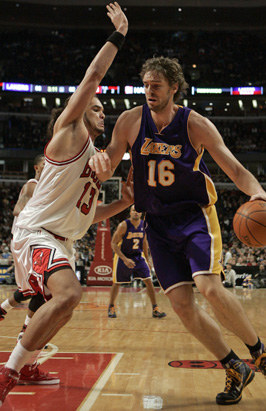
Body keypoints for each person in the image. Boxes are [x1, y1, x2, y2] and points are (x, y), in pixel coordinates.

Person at [89, 56, 266, 405]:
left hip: (195, 217)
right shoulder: (130, 122)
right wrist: (99, 162)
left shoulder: (195, 124)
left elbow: (236, 170)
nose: (149, 92)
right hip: (157, 223)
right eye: (146, 85)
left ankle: (261, 356)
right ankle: (233, 366)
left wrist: (257, 191)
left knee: (209, 288)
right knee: (182, 306)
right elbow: (108, 166)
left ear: (174, 88)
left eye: (157, 86)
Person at [0, 3, 131, 406]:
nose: (102, 111)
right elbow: (92, 78)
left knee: (57, 306)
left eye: (103, 109)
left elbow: (91, 215)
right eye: (96, 107)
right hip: (36, 233)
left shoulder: (97, 160)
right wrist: (118, 35)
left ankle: (30, 361)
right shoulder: (69, 134)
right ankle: (8, 373)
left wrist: (123, 202)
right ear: (76, 114)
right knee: (70, 294)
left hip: (61, 239)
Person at [0, 155, 46, 343]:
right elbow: (18, 209)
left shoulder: (46, 188)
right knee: (41, 289)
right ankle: (25, 331)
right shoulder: (32, 185)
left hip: (28, 240)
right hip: (25, 240)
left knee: (31, 290)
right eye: (44, 165)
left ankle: (3, 309)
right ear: (36, 167)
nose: (48, 167)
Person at [108, 204, 166, 319]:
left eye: (138, 211)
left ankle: (155, 308)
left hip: (138, 257)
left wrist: (147, 259)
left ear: (141, 213)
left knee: (148, 281)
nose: (136, 212)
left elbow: (144, 242)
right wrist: (125, 259)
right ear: (130, 212)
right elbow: (113, 244)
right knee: (117, 283)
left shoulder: (144, 225)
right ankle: (111, 306)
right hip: (123, 256)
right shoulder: (123, 225)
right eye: (134, 210)